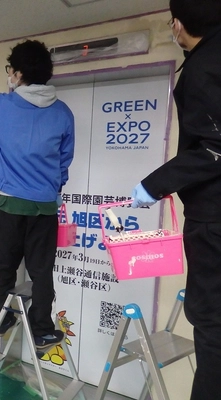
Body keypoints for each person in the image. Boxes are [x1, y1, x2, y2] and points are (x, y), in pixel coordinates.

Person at [130, 1, 221, 398]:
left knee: (213, 327)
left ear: (179, 25)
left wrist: (155, 184)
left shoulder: (205, 66)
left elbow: (215, 146)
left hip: (215, 220)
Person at [0, 40, 75, 349]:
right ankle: (42, 329)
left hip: (9, 206)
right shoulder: (63, 113)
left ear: (17, 73)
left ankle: (2, 317)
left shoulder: (2, 105)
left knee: (2, 267)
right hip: (45, 208)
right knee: (42, 272)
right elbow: (64, 159)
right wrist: (55, 188)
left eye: (10, 70)